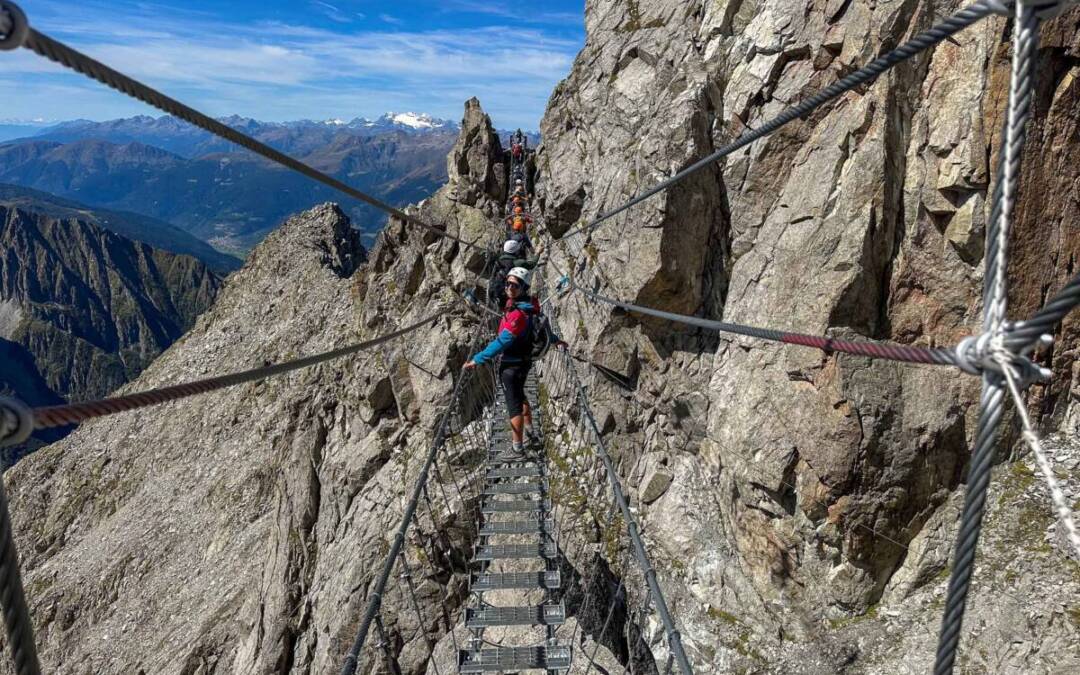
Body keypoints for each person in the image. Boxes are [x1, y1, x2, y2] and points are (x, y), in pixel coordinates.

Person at [464, 268, 564, 453]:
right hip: (524, 362)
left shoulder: (518, 313)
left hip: (512, 366)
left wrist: (478, 359)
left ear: (523, 287)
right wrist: (556, 340)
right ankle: (531, 431)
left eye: (515, 285)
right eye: (508, 283)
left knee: (513, 407)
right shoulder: (529, 305)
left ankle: (517, 447)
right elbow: (543, 325)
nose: (509, 287)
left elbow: (503, 341)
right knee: (520, 395)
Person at [489, 239, 540, 308]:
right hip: (512, 293)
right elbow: (532, 264)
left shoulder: (498, 260)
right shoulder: (518, 262)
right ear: (516, 251)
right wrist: (538, 253)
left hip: (498, 292)